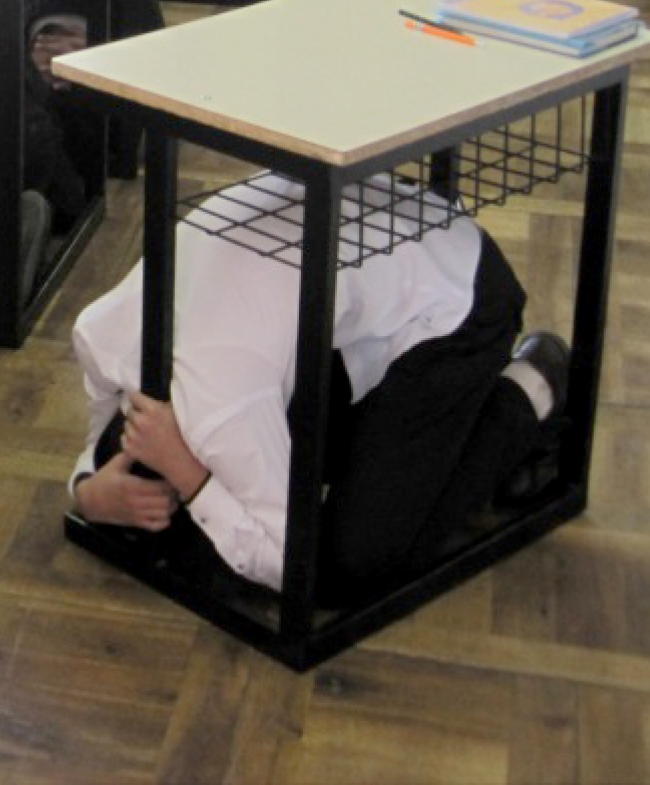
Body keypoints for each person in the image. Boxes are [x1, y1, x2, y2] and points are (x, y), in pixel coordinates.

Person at [68, 172, 570, 608]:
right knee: (158, 465)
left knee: (346, 569)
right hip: (355, 275)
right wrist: (90, 495)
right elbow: (101, 437)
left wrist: (191, 476)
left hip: (455, 306)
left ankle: (527, 388)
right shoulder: (103, 333)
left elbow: (293, 564)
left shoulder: (226, 409)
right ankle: (403, 446)